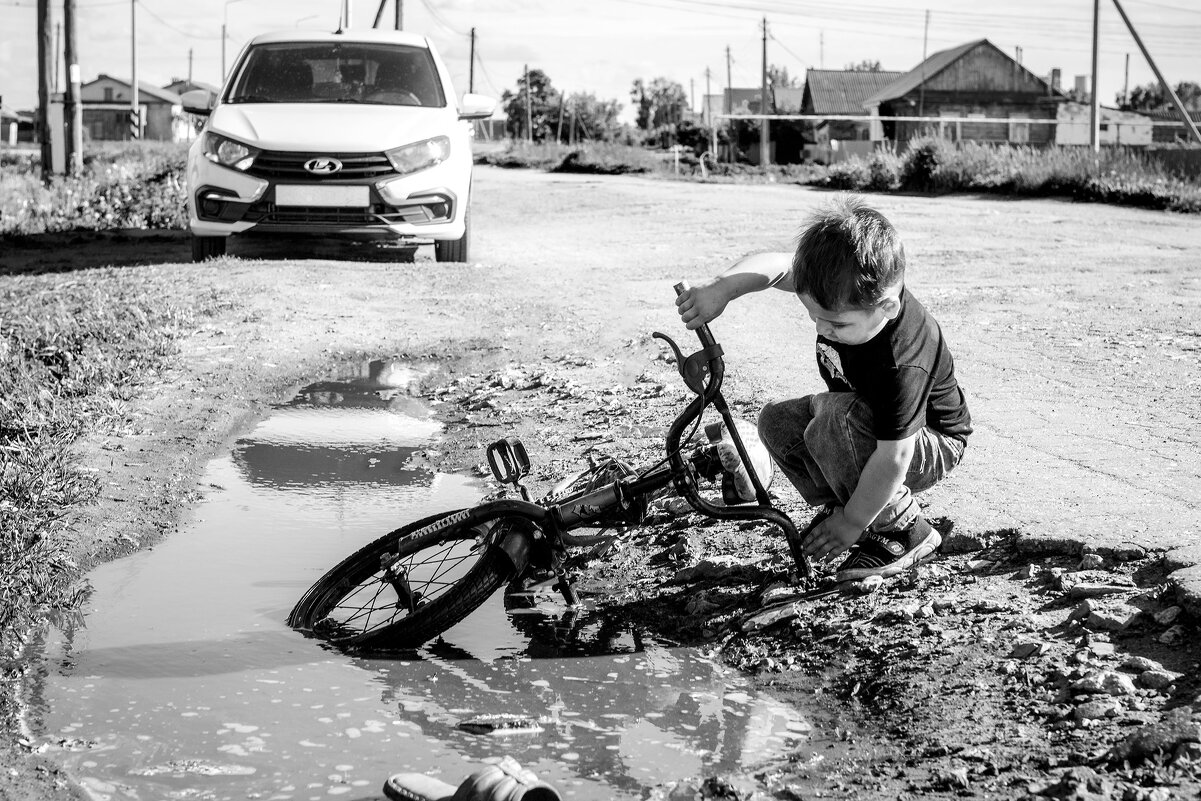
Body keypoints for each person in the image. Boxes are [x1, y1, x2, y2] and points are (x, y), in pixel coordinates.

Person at [675, 195, 971, 582]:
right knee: (776, 422)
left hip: (929, 443)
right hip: (864, 425)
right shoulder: (841, 291)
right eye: (814, 316)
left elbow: (895, 456)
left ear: (887, 308)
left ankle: (902, 529)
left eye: (836, 324)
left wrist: (851, 522)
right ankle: (850, 505)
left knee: (836, 418)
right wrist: (722, 289)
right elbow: (780, 267)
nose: (821, 329)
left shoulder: (903, 355)